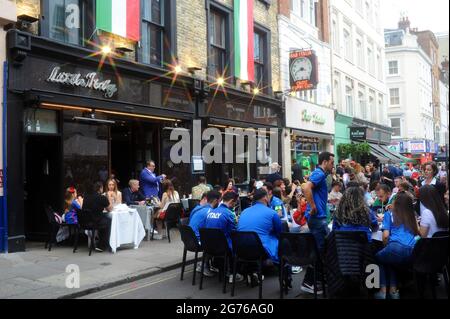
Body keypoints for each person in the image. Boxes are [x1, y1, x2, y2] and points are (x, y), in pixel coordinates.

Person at [375, 192, 420, 299]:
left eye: (394, 199)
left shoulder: (389, 214)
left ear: (397, 202)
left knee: (379, 258)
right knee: (390, 261)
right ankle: (393, 291)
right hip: (412, 252)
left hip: (395, 247)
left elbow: (385, 236)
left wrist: (386, 246)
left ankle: (383, 291)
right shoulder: (412, 215)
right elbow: (417, 232)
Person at [300, 152, 334, 295]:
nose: (333, 165)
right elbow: (306, 187)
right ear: (325, 162)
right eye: (332, 162)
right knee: (323, 251)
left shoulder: (321, 174)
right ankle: (311, 282)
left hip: (318, 218)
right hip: (317, 218)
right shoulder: (319, 173)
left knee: (322, 250)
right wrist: (313, 206)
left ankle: (316, 281)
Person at [204, 191, 243, 283]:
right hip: (223, 248)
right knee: (240, 245)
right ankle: (233, 274)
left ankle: (223, 269)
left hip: (209, 247)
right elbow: (234, 232)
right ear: (232, 201)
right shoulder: (229, 214)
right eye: (235, 203)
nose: (235, 205)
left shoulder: (210, 212)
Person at [238, 189, 282, 265]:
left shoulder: (244, 211)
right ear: (265, 198)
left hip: (240, 247)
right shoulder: (272, 212)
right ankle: (286, 267)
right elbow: (279, 233)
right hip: (259, 249)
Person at [188, 190, 222, 277]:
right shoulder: (210, 212)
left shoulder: (198, 208)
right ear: (215, 201)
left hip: (188, 239)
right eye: (220, 200)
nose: (220, 203)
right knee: (218, 242)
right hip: (196, 241)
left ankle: (208, 264)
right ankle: (204, 266)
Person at [82, 182, 113, 252]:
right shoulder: (102, 197)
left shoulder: (86, 196)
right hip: (94, 221)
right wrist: (108, 197)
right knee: (109, 220)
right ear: (100, 189)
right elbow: (110, 209)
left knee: (104, 218)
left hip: (85, 221)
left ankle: (99, 242)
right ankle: (103, 244)